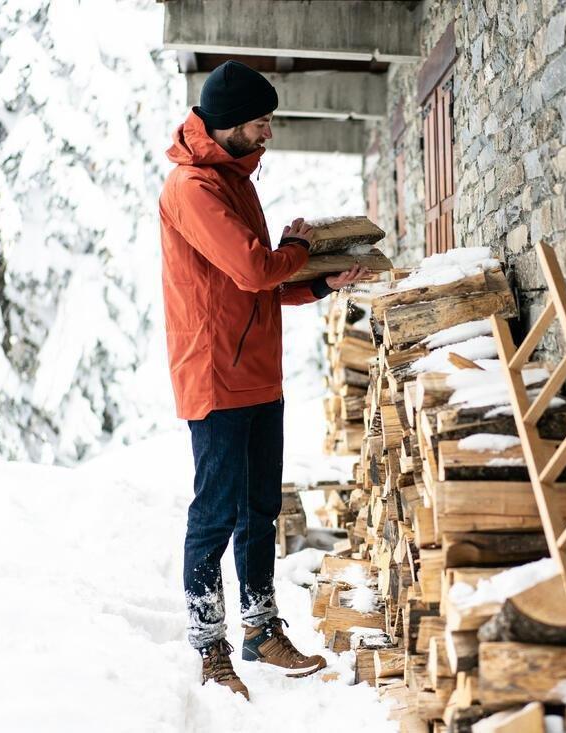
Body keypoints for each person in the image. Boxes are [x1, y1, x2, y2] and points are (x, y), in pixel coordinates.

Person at [158, 60, 368, 700]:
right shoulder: (193, 188)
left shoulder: (235, 180)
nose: (268, 133)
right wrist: (297, 251)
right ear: (226, 125)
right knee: (216, 514)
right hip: (215, 378)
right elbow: (253, 269)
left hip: (257, 375)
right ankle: (210, 645)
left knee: (259, 511)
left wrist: (313, 282)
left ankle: (259, 628)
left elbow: (257, 287)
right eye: (260, 122)